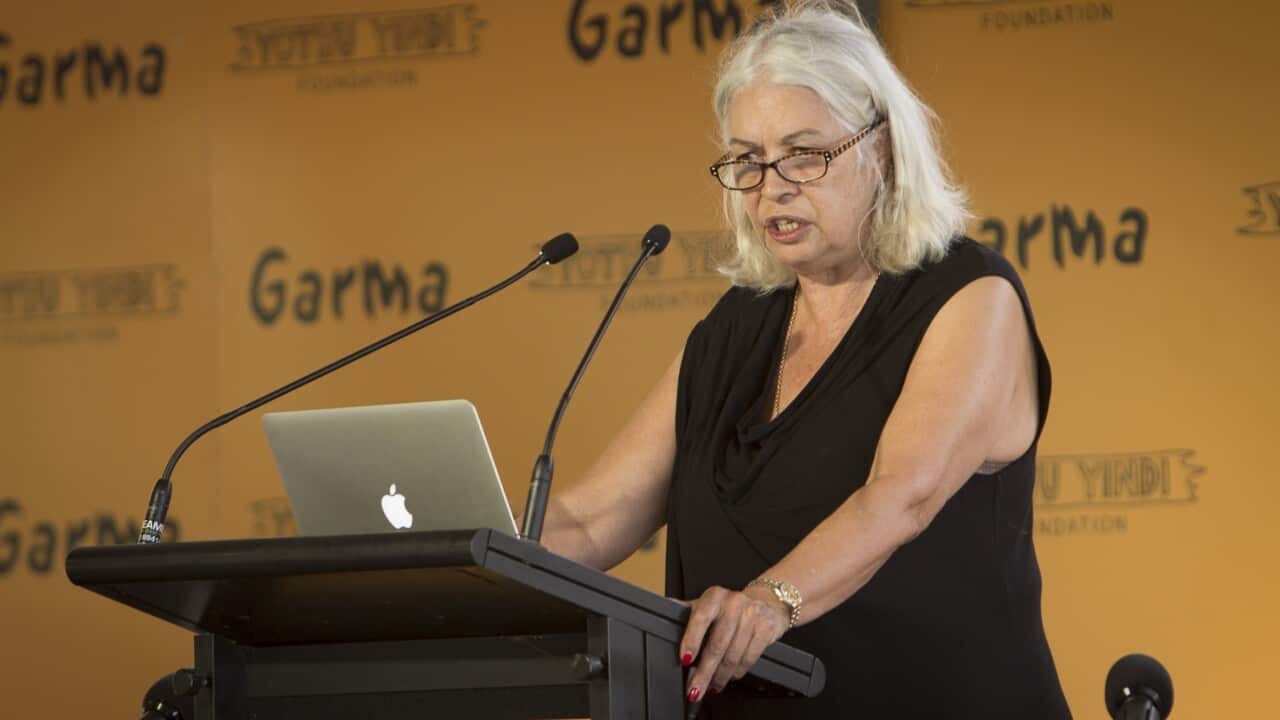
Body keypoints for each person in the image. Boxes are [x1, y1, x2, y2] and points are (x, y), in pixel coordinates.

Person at [539, 1, 1072, 716]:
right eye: (749, 161)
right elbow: (594, 517)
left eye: (804, 154)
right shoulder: (737, 329)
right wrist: (464, 559)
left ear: (880, 149)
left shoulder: (971, 296)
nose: (773, 186)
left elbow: (901, 495)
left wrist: (770, 602)